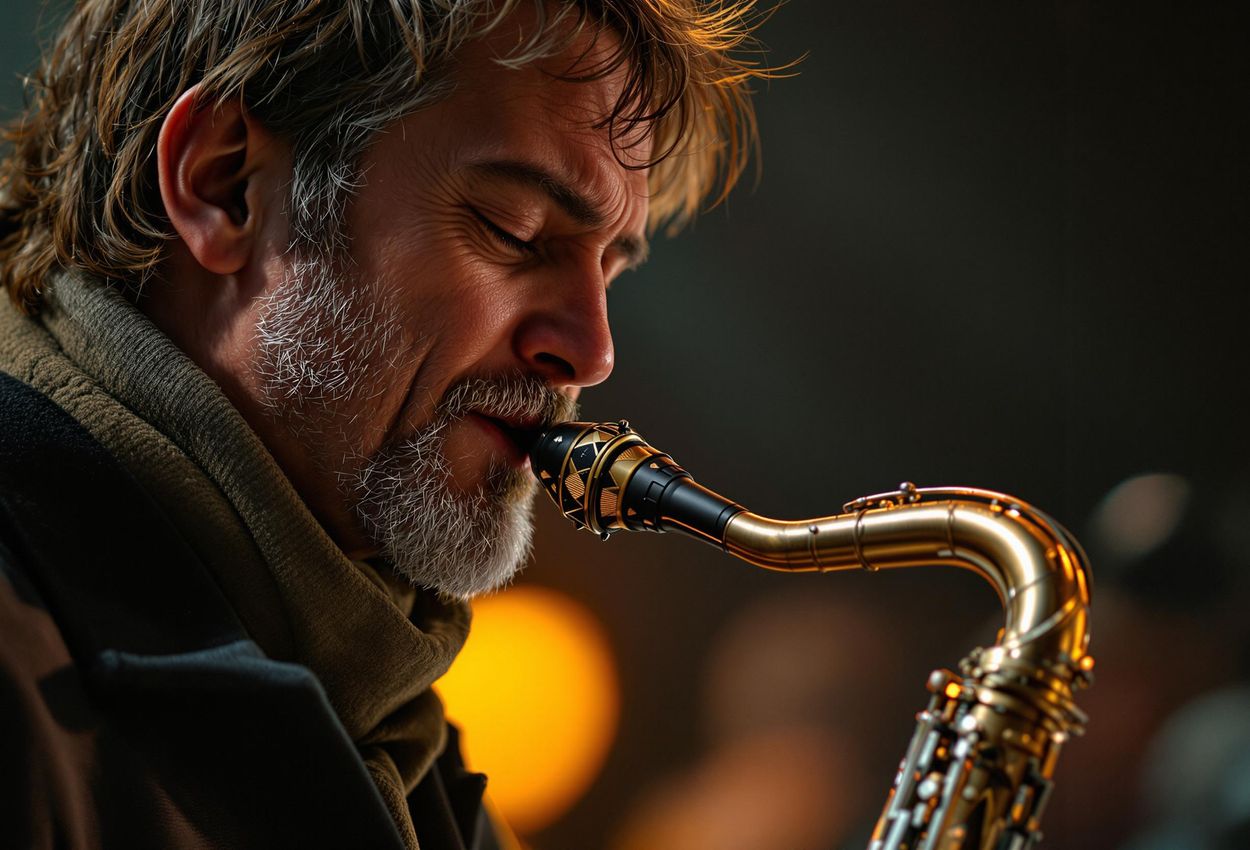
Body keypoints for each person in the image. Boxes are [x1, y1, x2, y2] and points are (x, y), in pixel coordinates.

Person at [0, 1, 774, 847]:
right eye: (514, 231)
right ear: (222, 185)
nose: (592, 354)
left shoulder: (395, 730)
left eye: (609, 269)